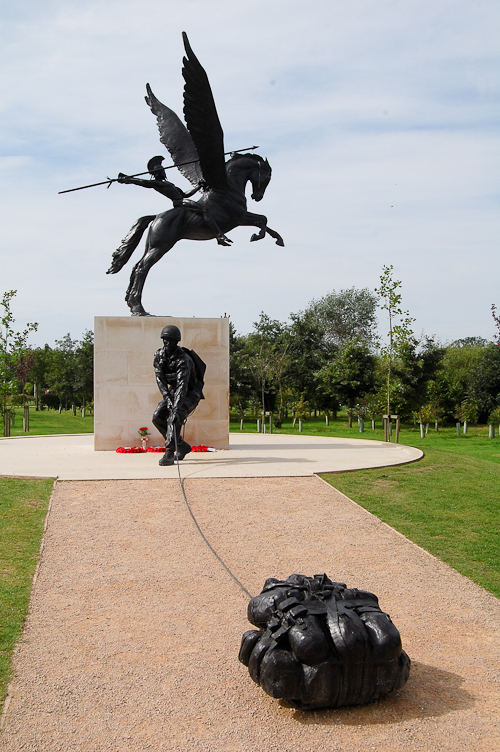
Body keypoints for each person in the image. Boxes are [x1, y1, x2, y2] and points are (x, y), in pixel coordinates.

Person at [152, 324, 205, 466]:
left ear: (176, 341)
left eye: (169, 340)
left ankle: (170, 451)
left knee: (175, 416)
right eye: (164, 339)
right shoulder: (159, 355)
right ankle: (181, 445)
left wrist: (175, 407)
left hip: (190, 393)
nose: (166, 342)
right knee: (157, 417)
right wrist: (167, 398)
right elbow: (160, 380)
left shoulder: (184, 359)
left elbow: (183, 385)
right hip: (172, 392)